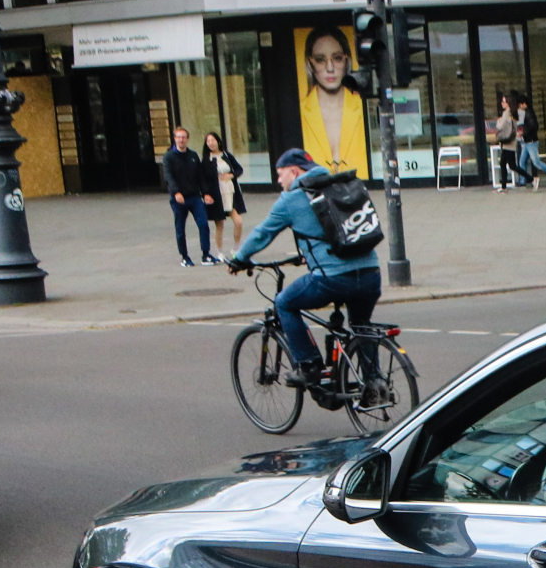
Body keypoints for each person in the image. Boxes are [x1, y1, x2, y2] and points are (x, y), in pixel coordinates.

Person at [228, 149, 381, 390]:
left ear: (294, 171)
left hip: (333, 278)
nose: (279, 181)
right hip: (372, 273)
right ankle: (375, 384)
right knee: (361, 325)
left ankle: (309, 365)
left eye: (280, 175)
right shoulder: (341, 184)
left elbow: (262, 234)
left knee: (285, 302)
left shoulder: (292, 199)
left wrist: (239, 258)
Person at [298, 26, 369, 174]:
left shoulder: (363, 107)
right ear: (310, 63)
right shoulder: (298, 111)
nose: (330, 68)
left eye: (337, 58)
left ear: (346, 60)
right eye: (320, 60)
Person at [162, 126, 217, 268]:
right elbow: (168, 177)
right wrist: (176, 192)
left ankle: (206, 254)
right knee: (180, 228)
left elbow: (200, 176)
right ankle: (185, 256)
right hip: (179, 199)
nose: (181, 140)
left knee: (203, 224)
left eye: (184, 137)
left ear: (187, 139)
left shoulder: (193, 155)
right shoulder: (169, 157)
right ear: (174, 139)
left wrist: (205, 193)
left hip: (194, 197)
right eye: (179, 137)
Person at [203, 132, 246, 253]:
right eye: (208, 141)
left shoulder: (226, 155)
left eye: (213, 140)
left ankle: (236, 248)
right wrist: (206, 194)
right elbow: (203, 178)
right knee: (219, 224)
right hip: (217, 194)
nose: (211, 143)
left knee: (238, 221)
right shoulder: (206, 160)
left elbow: (239, 169)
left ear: (218, 141)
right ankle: (220, 252)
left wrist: (231, 175)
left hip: (231, 192)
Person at [514, 93, 546, 186]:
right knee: (522, 162)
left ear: (524, 104)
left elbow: (533, 126)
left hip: (531, 142)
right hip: (528, 141)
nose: (519, 107)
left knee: (536, 162)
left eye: (519, 105)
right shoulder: (528, 112)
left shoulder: (529, 113)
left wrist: (523, 134)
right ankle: (523, 181)